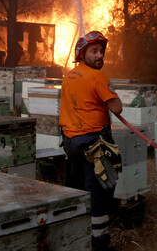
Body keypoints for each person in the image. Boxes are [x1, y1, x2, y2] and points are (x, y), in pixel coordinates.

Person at [59, 30, 123, 251]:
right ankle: (99, 243)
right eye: (94, 51)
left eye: (101, 51)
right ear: (82, 54)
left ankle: (76, 235)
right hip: (92, 145)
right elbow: (117, 107)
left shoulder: (69, 76)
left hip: (70, 143)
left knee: (77, 189)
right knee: (98, 193)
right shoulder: (97, 77)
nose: (99, 56)